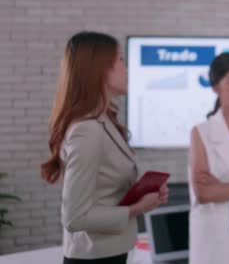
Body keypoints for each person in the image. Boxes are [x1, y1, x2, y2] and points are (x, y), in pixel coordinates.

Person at [41, 32, 168, 264]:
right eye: (120, 60)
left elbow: (106, 193)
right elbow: (75, 217)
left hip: (111, 252)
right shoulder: (86, 130)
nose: (127, 68)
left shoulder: (104, 121)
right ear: (99, 69)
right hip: (94, 258)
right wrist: (136, 209)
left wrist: (144, 196)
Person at [188, 52, 229, 264]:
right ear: (215, 87)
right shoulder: (202, 132)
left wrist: (226, 188)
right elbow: (204, 192)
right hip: (214, 239)